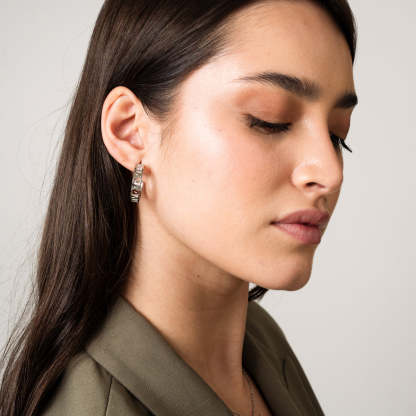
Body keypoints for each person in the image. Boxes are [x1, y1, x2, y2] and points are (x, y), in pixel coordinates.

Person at [0, 0, 358, 415]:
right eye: (269, 120)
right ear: (131, 132)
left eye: (337, 134)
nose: (330, 171)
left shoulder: (259, 341)